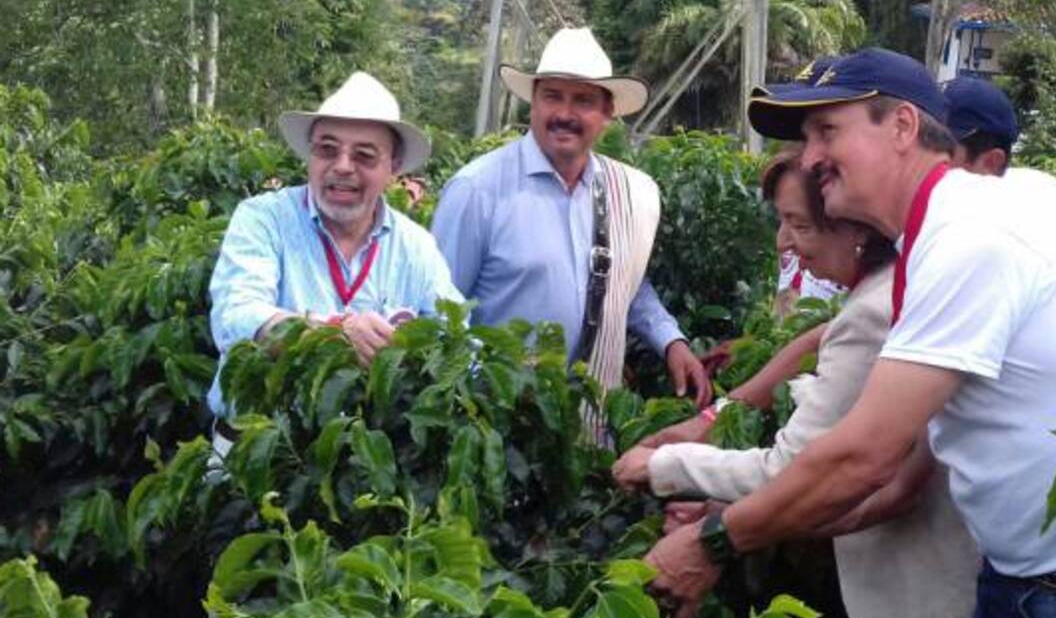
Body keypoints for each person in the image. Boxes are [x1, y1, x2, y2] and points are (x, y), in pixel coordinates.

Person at [641, 47, 1056, 618]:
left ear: (902, 125)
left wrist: (716, 540)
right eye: (805, 140)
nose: (810, 158)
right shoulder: (992, 206)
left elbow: (862, 455)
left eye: (826, 132)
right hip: (1021, 581)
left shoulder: (968, 237)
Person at [614, 149, 979, 618]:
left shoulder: (872, 313)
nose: (786, 243)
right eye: (783, 223)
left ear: (854, 223)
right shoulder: (882, 293)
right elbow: (808, 355)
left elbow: (792, 468)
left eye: (801, 225)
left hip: (910, 604)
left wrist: (662, 467)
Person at [432, 28, 709, 405]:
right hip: (495, 416)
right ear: (533, 101)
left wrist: (669, 340)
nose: (564, 114)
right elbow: (438, 311)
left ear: (607, 112)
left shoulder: (627, 191)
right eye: (552, 97)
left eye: (583, 100)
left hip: (591, 422)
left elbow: (624, 280)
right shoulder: (477, 190)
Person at [207, 71, 462, 438]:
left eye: (364, 155)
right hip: (256, 449)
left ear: (393, 168)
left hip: (366, 461)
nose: (342, 166)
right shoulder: (264, 219)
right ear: (310, 155)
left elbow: (456, 339)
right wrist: (335, 333)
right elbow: (238, 316)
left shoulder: (415, 246)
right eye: (328, 149)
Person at [944, 76, 1056, 269]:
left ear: (992, 162)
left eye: (944, 149)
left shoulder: (984, 223)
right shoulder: (1040, 184)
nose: (930, 157)